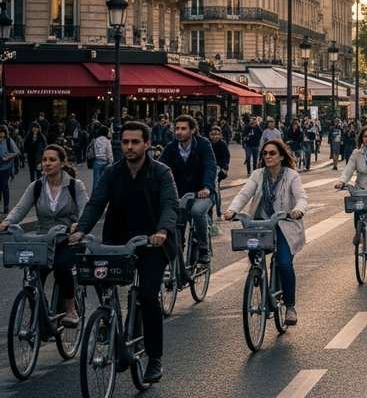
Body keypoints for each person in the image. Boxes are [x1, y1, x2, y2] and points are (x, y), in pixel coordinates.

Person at [70, 121, 178, 384]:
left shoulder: (161, 172)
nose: (129, 147)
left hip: (152, 243)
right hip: (117, 241)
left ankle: (154, 358)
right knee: (99, 278)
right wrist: (81, 231)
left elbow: (170, 205)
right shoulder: (112, 172)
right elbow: (96, 203)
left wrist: (162, 231)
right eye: (125, 142)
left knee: (148, 296)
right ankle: (114, 329)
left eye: (135, 142)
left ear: (147, 144)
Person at [1, 144, 89, 326]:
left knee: (61, 266)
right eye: (44, 160)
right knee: (33, 274)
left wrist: (78, 226)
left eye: (52, 160)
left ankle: (71, 309)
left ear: (62, 163)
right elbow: (20, 208)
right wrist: (7, 222)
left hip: (68, 239)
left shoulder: (74, 185)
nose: (47, 164)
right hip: (43, 239)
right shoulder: (36, 186)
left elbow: (85, 210)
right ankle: (40, 316)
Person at [224, 139, 307, 324]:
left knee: (285, 263)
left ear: (281, 156)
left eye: (272, 153)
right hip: (261, 224)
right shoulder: (258, 174)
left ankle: (290, 306)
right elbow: (244, 194)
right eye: (265, 153)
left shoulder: (291, 175)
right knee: (254, 253)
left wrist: (298, 210)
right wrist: (233, 210)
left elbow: (301, 196)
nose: (268, 156)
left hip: (285, 225)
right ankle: (259, 277)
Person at [158, 115, 218, 263]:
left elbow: (210, 166)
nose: (179, 132)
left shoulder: (203, 144)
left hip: (201, 193)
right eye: (177, 128)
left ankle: (204, 248)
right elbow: (160, 169)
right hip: (178, 195)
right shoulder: (171, 148)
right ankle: (178, 271)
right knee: (175, 227)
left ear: (192, 130)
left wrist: (207, 187)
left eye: (183, 128)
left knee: (197, 212)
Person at [0, 126, 20, 214]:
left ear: (5, 132)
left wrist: (8, 157)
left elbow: (16, 152)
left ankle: (6, 207)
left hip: (6, 167)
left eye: (2, 132)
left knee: (4, 187)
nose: (1, 133)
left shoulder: (8, 141)